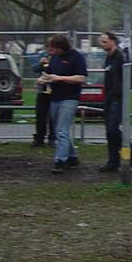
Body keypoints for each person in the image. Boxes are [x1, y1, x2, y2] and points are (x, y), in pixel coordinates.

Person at [41, 34, 86, 173]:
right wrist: (44, 79)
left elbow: (81, 78)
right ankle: (72, 157)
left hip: (70, 98)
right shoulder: (55, 57)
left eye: (54, 48)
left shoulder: (77, 57)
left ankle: (60, 160)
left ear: (61, 47)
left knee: (61, 130)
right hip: (55, 97)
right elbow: (48, 72)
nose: (52, 51)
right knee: (60, 129)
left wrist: (60, 78)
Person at [97, 32, 132, 173]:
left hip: (117, 98)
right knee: (109, 131)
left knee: (112, 129)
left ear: (113, 41)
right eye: (101, 42)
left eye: (104, 42)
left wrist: (124, 87)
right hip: (109, 98)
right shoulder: (108, 58)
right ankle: (113, 160)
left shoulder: (121, 57)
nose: (102, 44)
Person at [30, 51, 56, 148]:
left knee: (53, 117)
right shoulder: (44, 57)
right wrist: (41, 63)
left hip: (54, 92)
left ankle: (52, 139)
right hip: (42, 92)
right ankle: (39, 138)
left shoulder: (59, 58)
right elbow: (34, 69)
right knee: (40, 115)